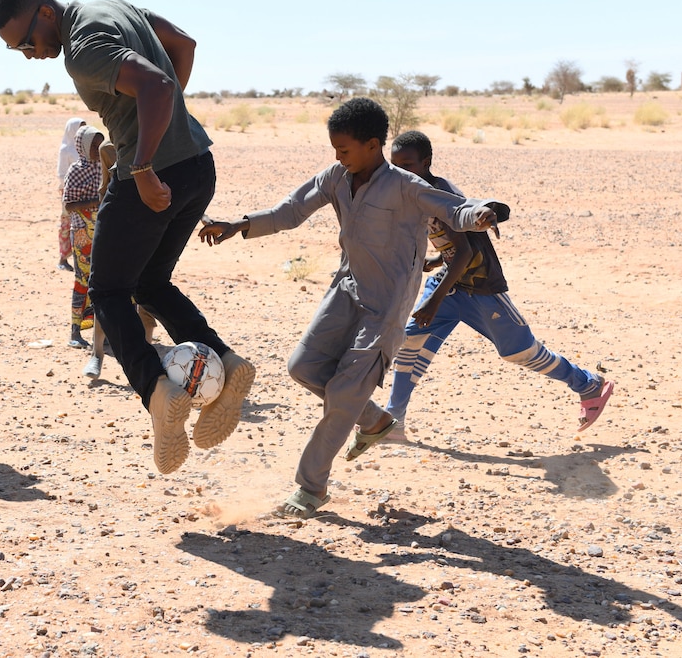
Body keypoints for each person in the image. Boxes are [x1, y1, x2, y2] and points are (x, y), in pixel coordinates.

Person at [0, 0, 255, 474]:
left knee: (107, 292)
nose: (29, 56)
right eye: (17, 52)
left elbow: (155, 85)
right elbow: (183, 45)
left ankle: (160, 395)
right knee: (151, 283)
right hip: (198, 165)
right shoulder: (110, 8)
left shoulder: (82, 49)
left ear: (45, 13)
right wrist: (168, 125)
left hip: (151, 178)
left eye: (26, 43)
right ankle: (228, 361)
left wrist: (145, 161)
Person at [199, 98, 504, 518]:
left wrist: (482, 215)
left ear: (373, 145)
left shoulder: (403, 184)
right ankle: (375, 420)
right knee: (303, 367)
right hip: (347, 288)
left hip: (387, 305)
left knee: (343, 393)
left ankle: (310, 488)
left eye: (344, 150)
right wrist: (239, 225)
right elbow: (291, 210)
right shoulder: (337, 176)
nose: (338, 157)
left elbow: (452, 208)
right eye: (335, 150)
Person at [384, 130, 614, 441]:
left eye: (407, 165)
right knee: (410, 341)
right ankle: (393, 420)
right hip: (450, 282)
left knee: (520, 352)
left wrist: (434, 301)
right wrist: (439, 260)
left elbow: (465, 250)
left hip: (479, 288)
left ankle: (588, 384)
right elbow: (454, 243)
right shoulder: (415, 194)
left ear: (425, 163)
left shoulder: (439, 194)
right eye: (394, 165)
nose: (399, 172)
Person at [64, 124, 104, 350]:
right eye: (94, 145)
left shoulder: (106, 166)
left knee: (103, 281)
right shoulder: (76, 170)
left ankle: (103, 331)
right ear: (83, 146)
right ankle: (75, 331)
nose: (98, 150)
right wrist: (94, 203)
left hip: (103, 231)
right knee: (82, 280)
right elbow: (69, 205)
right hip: (81, 233)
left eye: (100, 144)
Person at [56, 117, 85, 271]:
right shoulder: (66, 149)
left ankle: (81, 258)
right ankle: (63, 258)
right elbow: (61, 174)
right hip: (69, 192)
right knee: (67, 224)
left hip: (85, 192)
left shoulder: (85, 146)